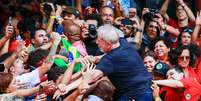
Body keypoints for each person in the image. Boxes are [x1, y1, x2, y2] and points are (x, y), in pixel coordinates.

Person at [89, 25, 153, 101]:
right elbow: (115, 34)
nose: (97, 42)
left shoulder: (109, 59)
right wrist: (98, 58)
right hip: (146, 89)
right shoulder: (123, 42)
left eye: (99, 40)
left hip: (136, 95)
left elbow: (92, 77)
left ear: (108, 43)